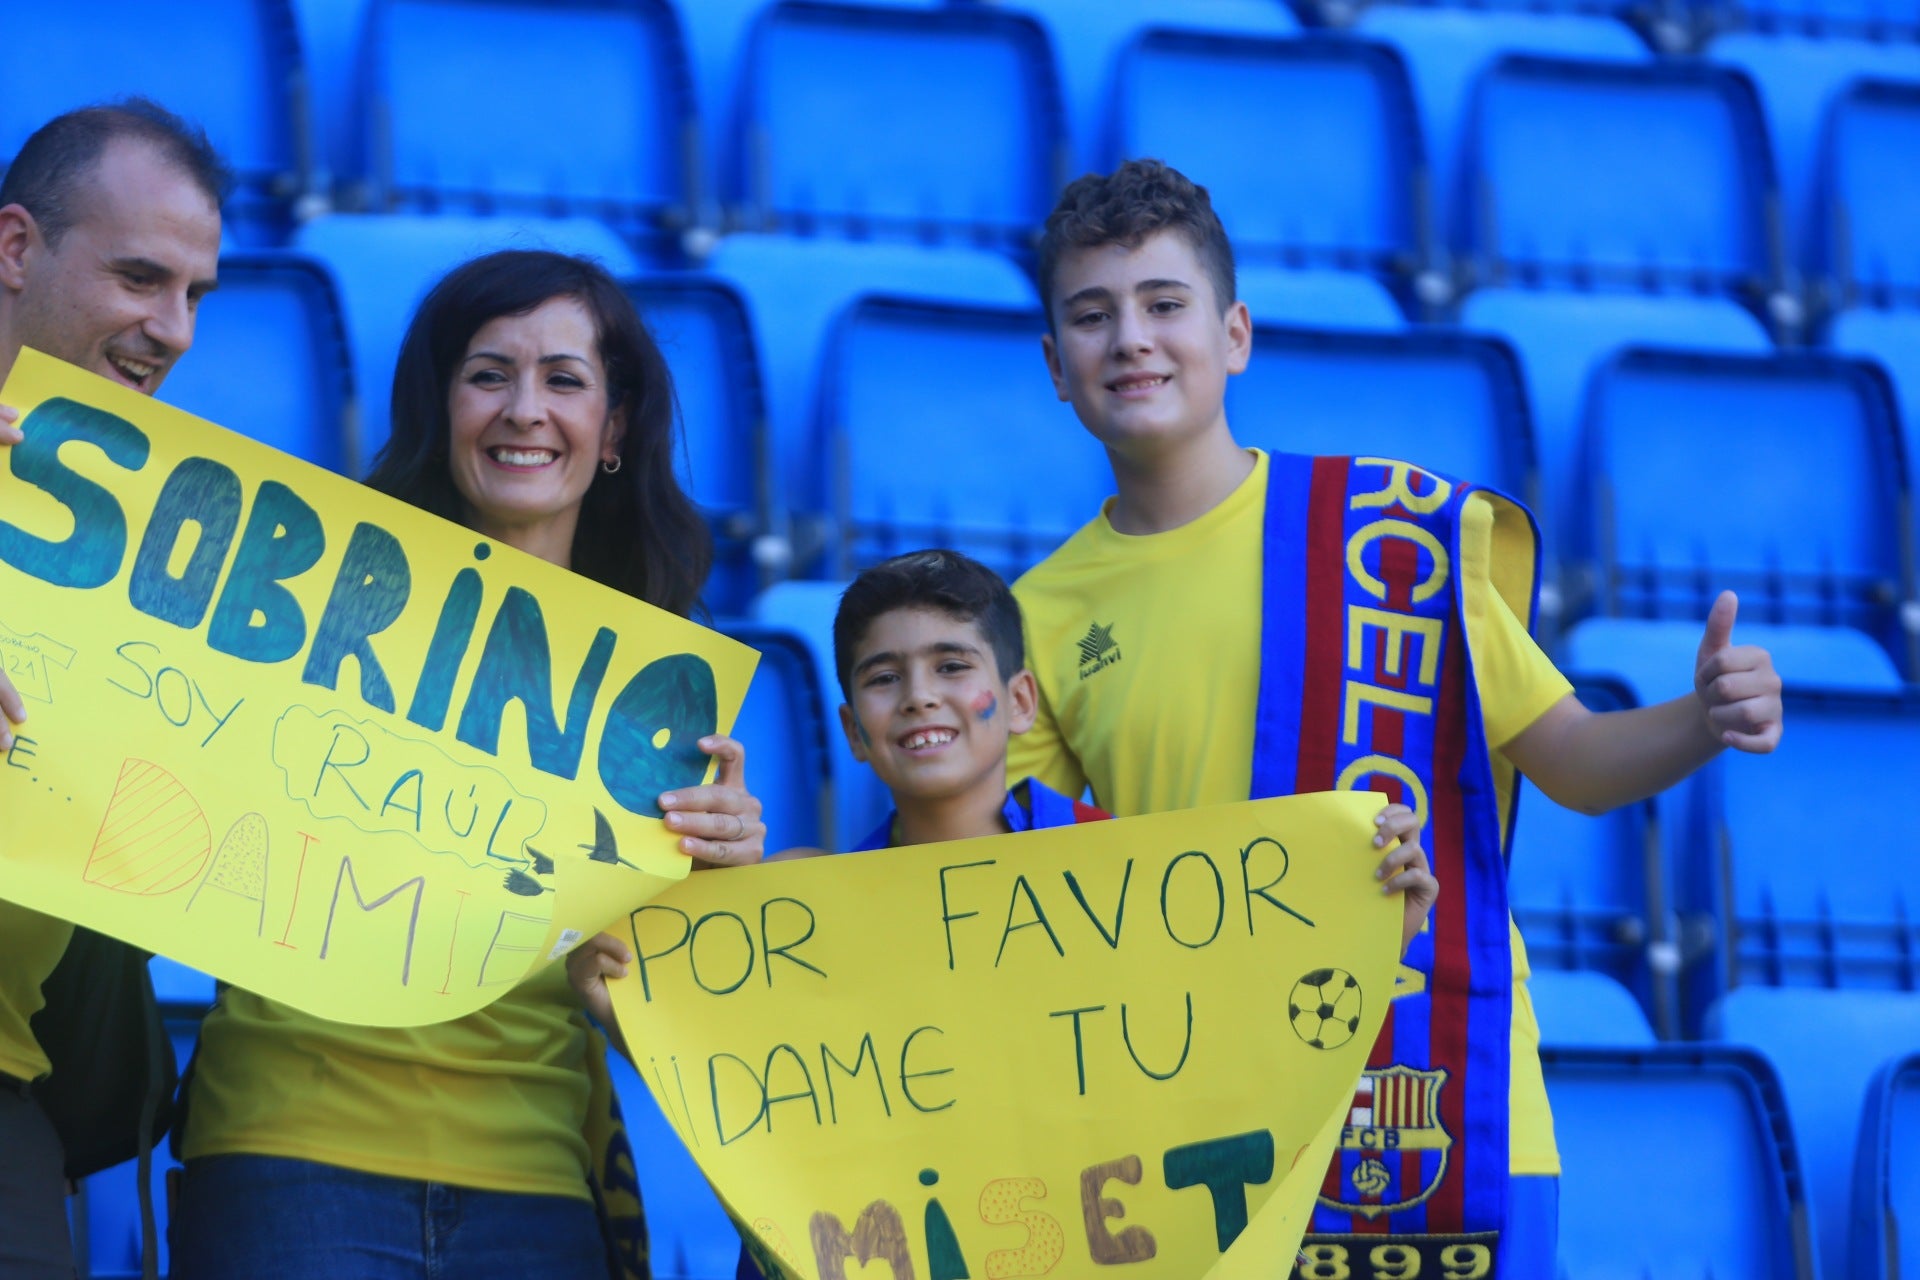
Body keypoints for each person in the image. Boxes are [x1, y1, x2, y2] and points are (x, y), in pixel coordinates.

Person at [1007, 159, 1783, 1276]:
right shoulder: (1036, 618)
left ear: (1234, 334)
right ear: (1055, 367)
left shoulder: (1396, 542)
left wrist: (1701, 719)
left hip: (1450, 1104)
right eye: (1093, 315)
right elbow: (1041, 886)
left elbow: (1573, 760)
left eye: (1165, 304)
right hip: (1200, 1128)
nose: (1131, 337)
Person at [568, 548, 1439, 1280]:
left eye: (953, 665)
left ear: (1019, 702)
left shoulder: (1135, 880)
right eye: (884, 677)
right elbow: (729, 1089)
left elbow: (1253, 1041)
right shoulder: (792, 913)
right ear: (853, 729)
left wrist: (1370, 929)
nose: (919, 696)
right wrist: (620, 1008)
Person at [166, 250, 768, 1280]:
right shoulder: (305, 597)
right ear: (440, 405)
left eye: (565, 380)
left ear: (614, 429)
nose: (524, 409)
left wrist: (720, 883)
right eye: (489, 373)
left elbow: (645, 1009)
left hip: (532, 1187)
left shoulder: (660, 690)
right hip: (286, 1156)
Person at [0, 99, 226, 1280]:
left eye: (197, 294)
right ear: (15, 248)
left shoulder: (161, 546)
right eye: (142, 277)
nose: (173, 328)